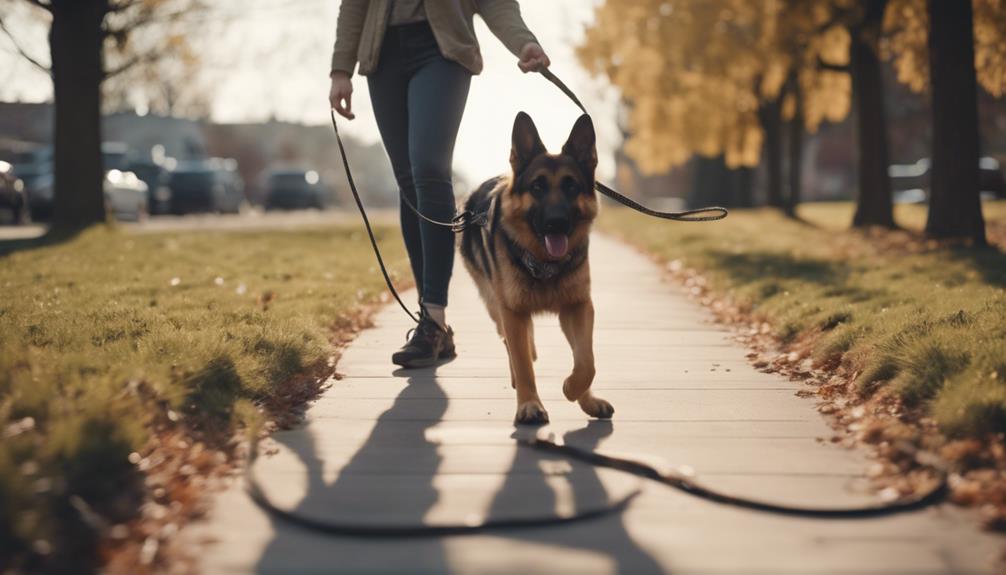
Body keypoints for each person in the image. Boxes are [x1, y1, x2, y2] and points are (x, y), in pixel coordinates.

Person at [329, 0, 550, 369]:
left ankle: (432, 317)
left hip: (442, 49)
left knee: (429, 168)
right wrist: (340, 68)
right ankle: (435, 327)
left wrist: (523, 42)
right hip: (382, 54)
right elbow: (354, 5)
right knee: (409, 180)